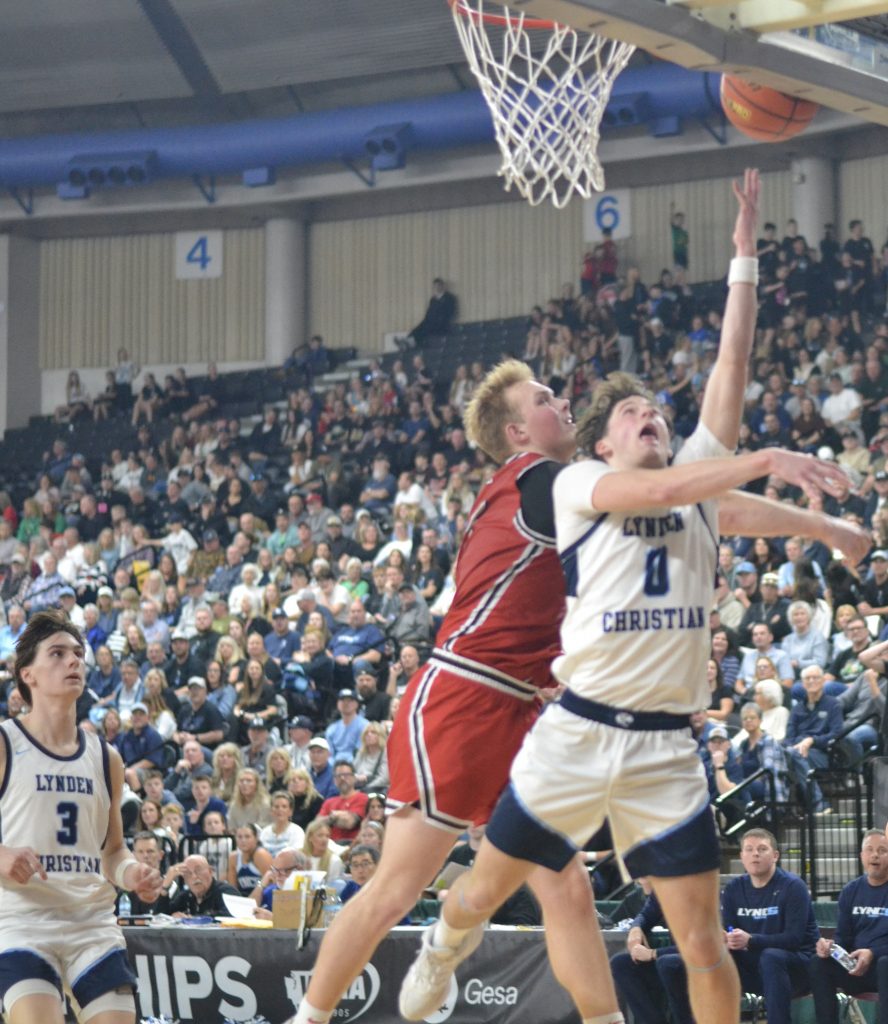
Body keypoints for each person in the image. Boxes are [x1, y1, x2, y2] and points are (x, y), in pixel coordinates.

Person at [397, 170, 870, 1024]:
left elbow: (732, 360)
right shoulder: (581, 488)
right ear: (603, 443)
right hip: (575, 729)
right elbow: (680, 490)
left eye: (657, 411)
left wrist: (743, 257)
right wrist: (779, 477)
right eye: (632, 415)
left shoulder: (696, 488)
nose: (649, 415)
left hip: (661, 750)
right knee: (481, 891)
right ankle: (443, 944)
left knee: (699, 939)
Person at [0, 609, 161, 1024]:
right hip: (22, 921)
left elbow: (112, 852)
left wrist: (132, 875)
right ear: (27, 675)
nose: (73, 661)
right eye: (57, 653)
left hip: (91, 923)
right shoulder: (5, 743)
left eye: (77, 652)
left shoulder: (105, 757)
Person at [659, 828, 817, 1024]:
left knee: (771, 956)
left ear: (775, 855)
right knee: (670, 964)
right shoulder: (734, 889)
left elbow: (794, 939)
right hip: (750, 966)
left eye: (762, 849)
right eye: (749, 849)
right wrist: (725, 937)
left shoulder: (793, 887)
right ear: (742, 856)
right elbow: (728, 935)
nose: (755, 854)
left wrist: (751, 940)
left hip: (795, 967)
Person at [808, 828, 888, 1022]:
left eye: (883, 850)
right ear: (862, 856)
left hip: (883, 966)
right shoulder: (851, 890)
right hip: (856, 967)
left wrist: (872, 953)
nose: (875, 855)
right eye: (869, 849)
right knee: (819, 963)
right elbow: (844, 936)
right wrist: (830, 946)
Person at [167, 854, 237, 917]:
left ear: (210, 871)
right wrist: (165, 887)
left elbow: (231, 915)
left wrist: (192, 919)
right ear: (185, 880)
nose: (194, 876)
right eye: (188, 873)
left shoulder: (226, 891)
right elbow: (161, 916)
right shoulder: (186, 896)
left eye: (198, 870)